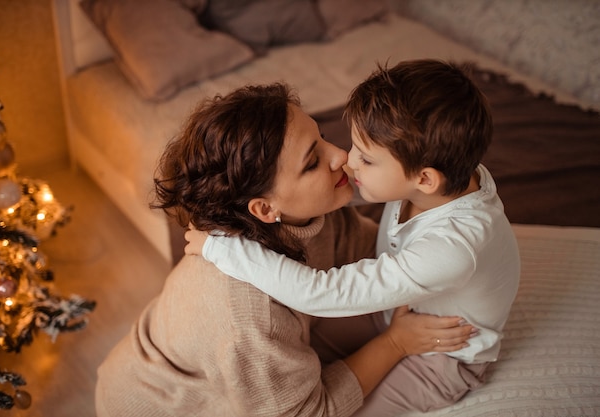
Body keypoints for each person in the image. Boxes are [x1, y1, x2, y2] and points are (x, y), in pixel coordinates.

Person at [94, 82, 475, 417]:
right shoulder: (248, 314)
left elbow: (372, 256)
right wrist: (396, 342)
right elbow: (309, 412)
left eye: (322, 136)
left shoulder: (313, 214)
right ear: (264, 209)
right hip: (156, 403)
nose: (340, 155)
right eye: (312, 162)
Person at [184, 59, 521, 414]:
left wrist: (223, 249)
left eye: (368, 160)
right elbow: (334, 187)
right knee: (303, 354)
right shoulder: (449, 171)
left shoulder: (453, 246)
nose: (349, 159)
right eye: (353, 145)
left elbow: (323, 293)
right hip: (395, 311)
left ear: (424, 179)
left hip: (441, 354)